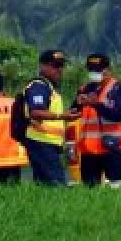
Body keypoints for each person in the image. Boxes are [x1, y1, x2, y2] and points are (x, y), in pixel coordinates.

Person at [73, 53, 121, 186]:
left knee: (116, 187)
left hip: (111, 147)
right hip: (89, 149)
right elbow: (74, 111)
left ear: (107, 70)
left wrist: (96, 105)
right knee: (90, 190)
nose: (93, 73)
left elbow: (118, 115)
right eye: (90, 69)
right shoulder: (85, 89)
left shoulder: (119, 89)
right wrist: (77, 104)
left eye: (96, 70)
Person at [21, 49, 80, 186]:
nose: (59, 69)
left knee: (45, 187)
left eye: (61, 66)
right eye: (55, 65)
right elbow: (35, 112)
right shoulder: (38, 86)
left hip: (47, 144)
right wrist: (62, 116)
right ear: (43, 66)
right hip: (41, 143)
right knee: (57, 185)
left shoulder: (49, 87)